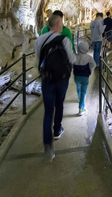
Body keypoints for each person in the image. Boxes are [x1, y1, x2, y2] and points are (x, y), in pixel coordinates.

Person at [36, 15, 76, 162]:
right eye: (61, 23)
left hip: (47, 79)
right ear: (58, 24)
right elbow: (71, 59)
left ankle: (48, 145)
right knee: (59, 105)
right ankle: (57, 129)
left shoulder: (40, 39)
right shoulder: (64, 39)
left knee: (48, 111)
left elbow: (38, 59)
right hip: (61, 79)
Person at [73, 41, 96, 116]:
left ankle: (79, 99)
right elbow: (93, 65)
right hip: (85, 77)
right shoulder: (89, 57)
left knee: (78, 88)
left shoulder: (75, 56)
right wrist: (90, 71)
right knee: (84, 92)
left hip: (76, 76)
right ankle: (81, 108)